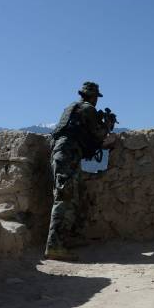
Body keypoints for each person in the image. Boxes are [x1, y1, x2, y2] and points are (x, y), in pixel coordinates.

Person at [44, 82, 116, 261]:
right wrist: (107, 125)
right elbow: (98, 134)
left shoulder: (71, 108)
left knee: (74, 195)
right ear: (93, 97)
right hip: (67, 152)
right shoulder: (88, 109)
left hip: (64, 152)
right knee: (64, 195)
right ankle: (54, 246)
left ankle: (67, 238)